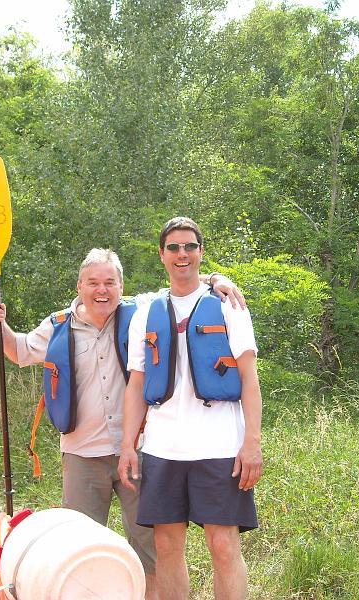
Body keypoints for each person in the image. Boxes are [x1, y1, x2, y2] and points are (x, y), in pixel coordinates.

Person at [0, 248, 245, 600]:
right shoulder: (59, 325)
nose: (101, 290)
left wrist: (218, 280)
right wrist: (0, 326)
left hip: (135, 453)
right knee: (79, 553)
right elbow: (17, 351)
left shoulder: (141, 311)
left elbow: (183, 284)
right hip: (81, 456)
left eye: (109, 282)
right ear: (80, 285)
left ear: (122, 286)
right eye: (93, 282)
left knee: (149, 553)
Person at [118, 217, 263, 600]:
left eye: (190, 246)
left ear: (200, 251)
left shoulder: (228, 303)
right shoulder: (147, 311)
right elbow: (136, 384)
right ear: (162, 255)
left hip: (218, 447)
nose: (182, 254)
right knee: (166, 548)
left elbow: (249, 378)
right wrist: (128, 446)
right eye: (173, 247)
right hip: (163, 448)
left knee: (223, 546)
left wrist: (252, 443)